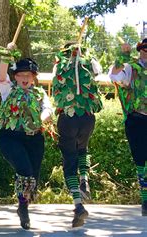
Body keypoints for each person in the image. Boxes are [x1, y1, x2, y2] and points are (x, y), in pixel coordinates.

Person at [0, 43, 53, 229]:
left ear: (34, 78)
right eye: (21, 75)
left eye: (28, 75)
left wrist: (41, 120)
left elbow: (48, 109)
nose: (25, 78)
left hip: (34, 138)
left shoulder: (40, 93)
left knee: (32, 176)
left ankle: (23, 206)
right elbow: (1, 76)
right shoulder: (8, 90)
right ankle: (24, 209)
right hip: (10, 137)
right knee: (25, 170)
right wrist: (7, 55)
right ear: (16, 77)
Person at [51, 42, 103, 227]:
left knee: (69, 160)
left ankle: (78, 204)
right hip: (87, 117)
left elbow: (55, 79)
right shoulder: (90, 62)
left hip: (67, 118)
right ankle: (85, 180)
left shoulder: (60, 64)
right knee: (83, 148)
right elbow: (98, 72)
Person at [109, 38, 147, 216]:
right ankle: (145, 198)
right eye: (145, 49)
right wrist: (122, 55)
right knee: (140, 159)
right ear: (140, 50)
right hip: (137, 119)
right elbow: (115, 76)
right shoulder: (131, 67)